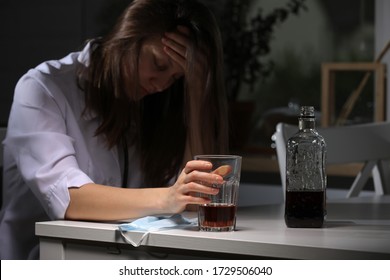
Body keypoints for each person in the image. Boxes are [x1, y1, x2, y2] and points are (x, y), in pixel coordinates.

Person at [0, 0, 229, 259]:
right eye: (159, 64)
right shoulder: (42, 89)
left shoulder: (149, 103)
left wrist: (196, 93)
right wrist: (169, 198)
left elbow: (196, 200)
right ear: (129, 36)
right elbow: (70, 200)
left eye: (176, 78)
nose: (162, 85)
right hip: (43, 261)